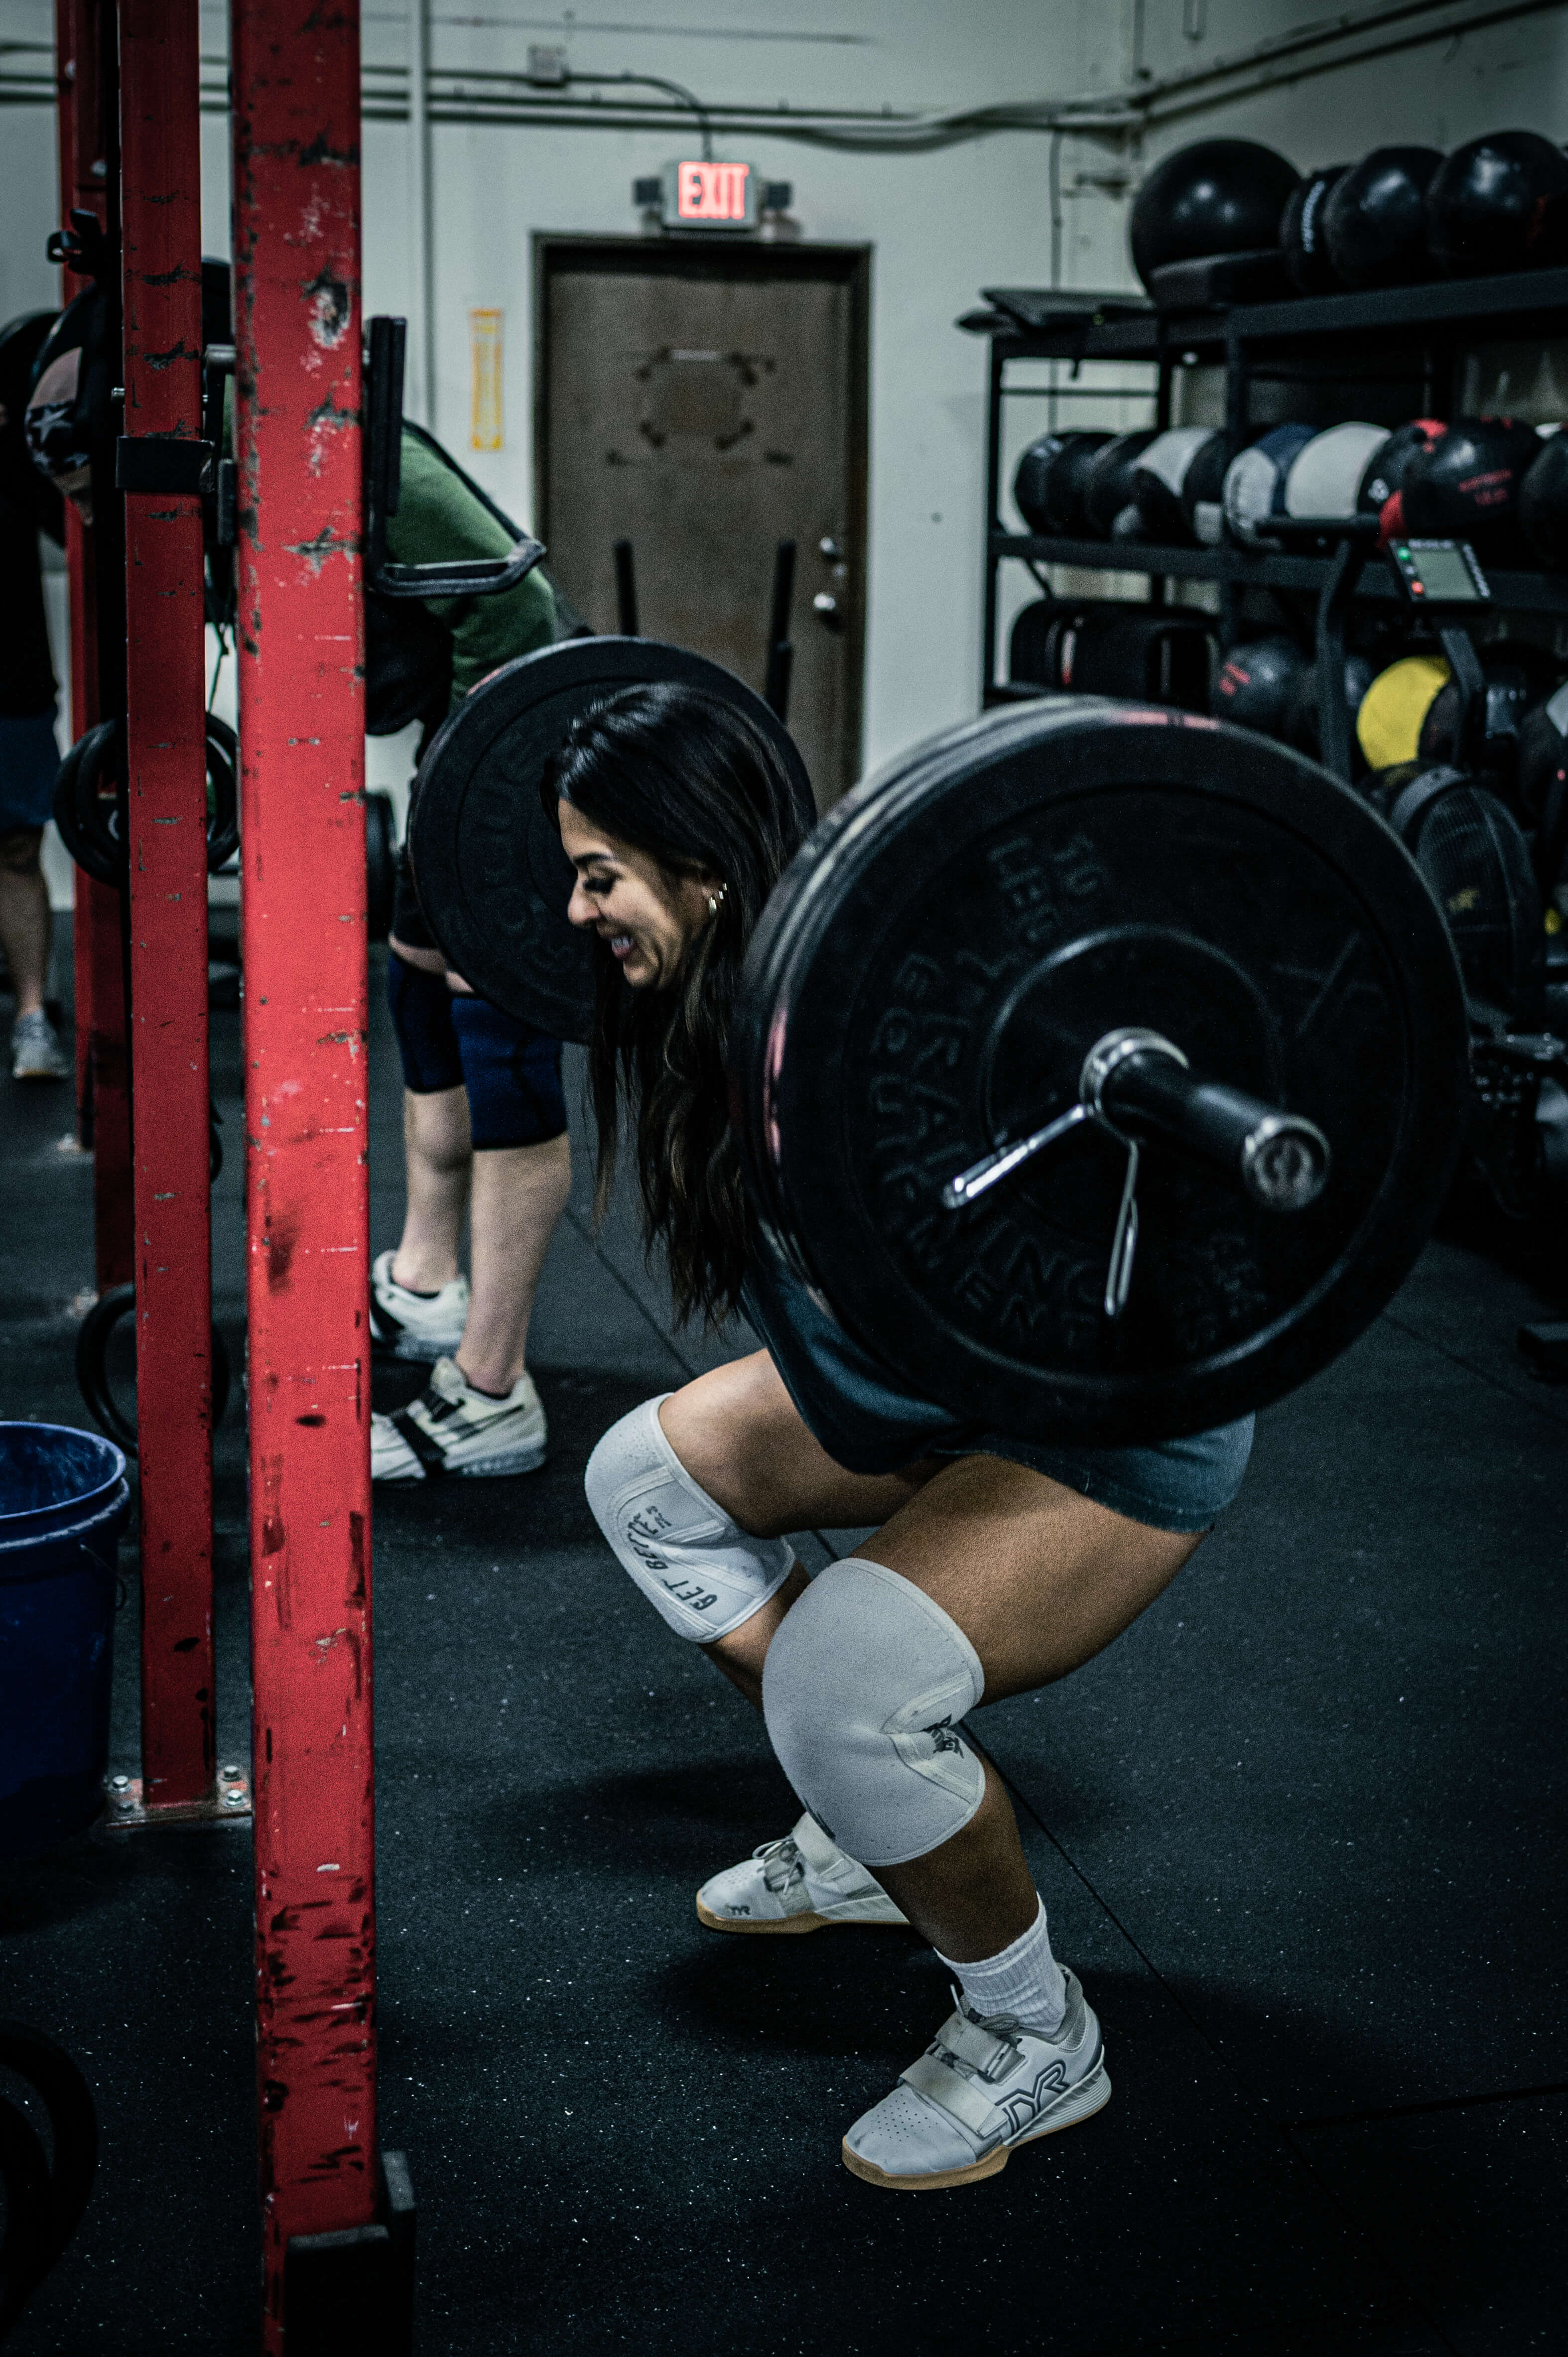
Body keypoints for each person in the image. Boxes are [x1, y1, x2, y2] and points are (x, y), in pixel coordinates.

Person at [547, 683, 1255, 2191]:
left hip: (1122, 1421)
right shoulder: (710, 1017)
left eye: (602, 871)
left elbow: (875, 1395)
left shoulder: (847, 1035)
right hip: (948, 1383)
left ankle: (1031, 2026)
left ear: (705, 868)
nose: (574, 905)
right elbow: (861, 1377)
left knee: (839, 1684)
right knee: (645, 1480)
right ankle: (875, 1831)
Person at [1, 312, 68, 1082]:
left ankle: (31, 1018)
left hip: (12, 682)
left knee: (18, 849)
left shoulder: (14, 448)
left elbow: (73, 513)